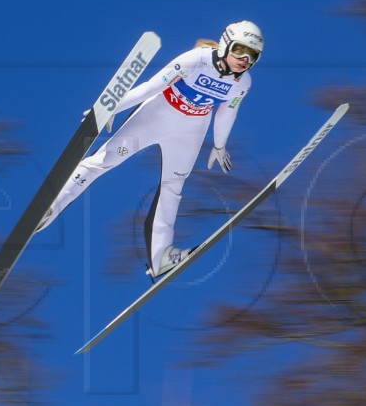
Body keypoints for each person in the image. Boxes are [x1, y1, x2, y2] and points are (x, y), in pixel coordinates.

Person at [36, 20, 264, 279]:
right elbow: (152, 86)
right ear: (225, 44)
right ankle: (50, 206)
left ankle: (161, 258)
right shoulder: (197, 60)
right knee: (104, 161)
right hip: (156, 118)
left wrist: (219, 145)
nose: (245, 59)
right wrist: (112, 108)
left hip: (190, 133)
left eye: (253, 55)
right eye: (239, 50)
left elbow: (228, 113)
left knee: (173, 187)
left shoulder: (243, 83)